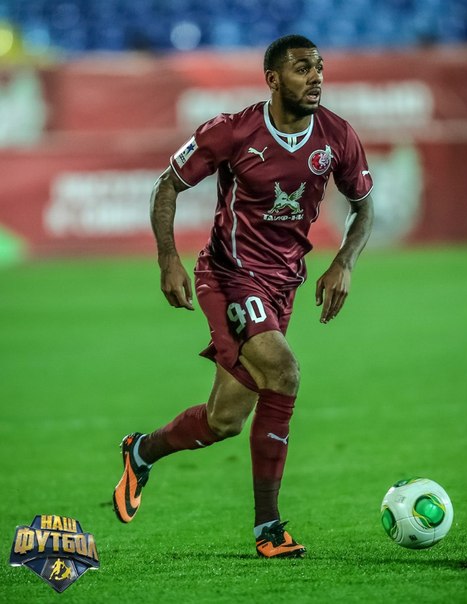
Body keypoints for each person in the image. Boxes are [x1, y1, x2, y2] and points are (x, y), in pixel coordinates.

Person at [113, 34, 374, 558]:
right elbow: (167, 185)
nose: (316, 77)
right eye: (302, 68)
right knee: (285, 372)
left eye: (319, 67)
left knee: (224, 420)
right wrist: (167, 257)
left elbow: (363, 205)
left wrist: (344, 262)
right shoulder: (232, 131)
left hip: (283, 286)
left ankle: (142, 451)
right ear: (274, 79)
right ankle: (268, 528)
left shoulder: (337, 136)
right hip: (229, 275)